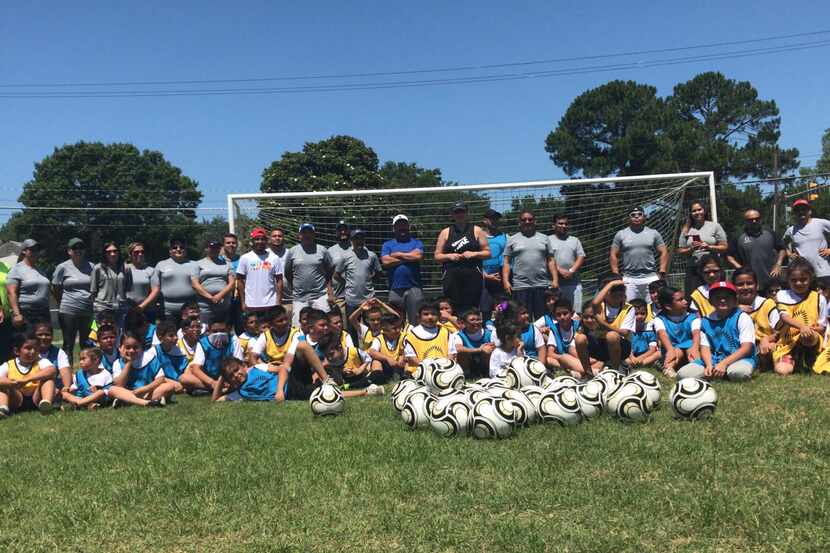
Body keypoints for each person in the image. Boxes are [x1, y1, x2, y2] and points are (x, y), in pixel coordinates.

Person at [678, 281, 756, 382]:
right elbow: (705, 347)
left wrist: (724, 363)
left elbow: (746, 348)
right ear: (710, 301)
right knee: (683, 374)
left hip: (740, 359)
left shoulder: (742, 317)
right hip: (715, 359)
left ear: (735, 300)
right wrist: (709, 365)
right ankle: (715, 372)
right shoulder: (706, 321)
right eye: (718, 297)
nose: (722, 300)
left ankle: (722, 372)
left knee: (738, 372)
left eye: (727, 297)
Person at [434, 202, 491, 315]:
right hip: (451, 276)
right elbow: (437, 256)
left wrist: (474, 254)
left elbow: (488, 253)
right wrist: (449, 256)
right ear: (452, 215)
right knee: (453, 306)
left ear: (467, 213)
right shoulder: (445, 232)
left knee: (472, 308)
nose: (460, 214)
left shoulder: (477, 230)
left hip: (473, 275)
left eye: (462, 211)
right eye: (456, 212)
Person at [773, 257, 827, 375]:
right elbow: (784, 317)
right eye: (794, 280)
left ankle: (809, 358)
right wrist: (802, 326)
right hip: (788, 341)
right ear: (788, 280)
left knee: (807, 336)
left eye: (803, 279)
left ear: (810, 278)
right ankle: (793, 358)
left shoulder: (819, 298)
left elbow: (822, 327)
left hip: (811, 339)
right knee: (782, 371)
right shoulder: (782, 295)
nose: (798, 283)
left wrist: (810, 329)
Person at [502, 209, 558, 321]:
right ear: (519, 222)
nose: (527, 221)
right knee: (522, 320)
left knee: (542, 320)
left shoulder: (544, 238)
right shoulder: (512, 239)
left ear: (535, 221)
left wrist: (555, 279)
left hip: (541, 285)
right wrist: (506, 281)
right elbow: (506, 262)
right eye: (524, 220)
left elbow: (551, 260)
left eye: (530, 219)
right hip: (520, 286)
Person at [609, 206, 669, 302]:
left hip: (650, 277)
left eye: (639, 214)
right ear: (628, 218)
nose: (636, 217)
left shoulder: (653, 233)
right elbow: (613, 254)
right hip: (629, 278)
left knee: (655, 307)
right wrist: (616, 274)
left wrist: (662, 271)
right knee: (628, 308)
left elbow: (664, 251)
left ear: (644, 216)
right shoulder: (621, 234)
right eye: (633, 215)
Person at [52, 237, 94, 363]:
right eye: (75, 248)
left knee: (87, 343)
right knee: (68, 344)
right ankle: (67, 374)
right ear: (69, 251)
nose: (78, 250)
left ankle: (88, 371)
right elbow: (55, 288)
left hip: (87, 311)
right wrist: (63, 302)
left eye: (81, 247)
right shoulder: (62, 267)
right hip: (68, 310)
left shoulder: (92, 266)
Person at [284, 223, 334, 327]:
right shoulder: (292, 251)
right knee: (298, 327)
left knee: (324, 325)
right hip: (299, 297)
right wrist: (296, 287)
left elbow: (330, 269)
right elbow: (288, 273)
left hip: (320, 295)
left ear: (314, 234)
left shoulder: (322, 250)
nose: (307, 235)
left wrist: (329, 290)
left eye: (309, 232)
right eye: (304, 233)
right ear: (299, 235)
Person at [733, 267, 781, 371]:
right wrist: (735, 310)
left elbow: (780, 331)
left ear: (757, 285)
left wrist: (766, 339)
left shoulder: (767, 304)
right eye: (740, 284)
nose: (745, 287)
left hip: (763, 345)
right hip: (738, 348)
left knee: (772, 347)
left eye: (749, 283)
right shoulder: (729, 307)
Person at [726, 209, 786, 291]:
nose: (754, 221)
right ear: (745, 221)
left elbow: (782, 249)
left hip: (771, 281)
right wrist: (741, 269)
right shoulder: (738, 236)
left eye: (757, 219)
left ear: (760, 219)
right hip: (750, 284)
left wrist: (778, 265)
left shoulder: (770, 232)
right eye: (750, 220)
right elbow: (729, 256)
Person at [676, 201, 728, 295]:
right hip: (694, 269)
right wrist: (690, 249)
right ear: (691, 214)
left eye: (699, 209)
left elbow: (724, 247)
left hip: (712, 268)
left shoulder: (715, 226)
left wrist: (709, 247)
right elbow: (680, 250)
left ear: (704, 210)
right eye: (694, 211)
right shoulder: (686, 229)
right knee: (693, 297)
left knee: (717, 294)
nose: (697, 212)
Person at [381, 214, 425, 325]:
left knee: (415, 321)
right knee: (394, 321)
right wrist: (408, 257)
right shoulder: (387, 244)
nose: (402, 228)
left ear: (408, 226)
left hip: (414, 287)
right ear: (394, 228)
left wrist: (397, 254)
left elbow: (418, 256)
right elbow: (386, 261)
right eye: (398, 225)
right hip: (395, 288)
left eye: (404, 225)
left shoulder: (417, 242)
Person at [0, 332, 57, 416]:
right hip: (17, 398)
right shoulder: (8, 365)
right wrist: (11, 383)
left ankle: (46, 403)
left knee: (48, 379)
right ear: (16, 351)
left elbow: (52, 370)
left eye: (36, 348)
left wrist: (27, 379)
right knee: (3, 385)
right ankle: (3, 408)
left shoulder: (41, 361)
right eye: (28, 348)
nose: (33, 351)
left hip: (37, 397)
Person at [180, 318, 241, 394]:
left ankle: (211, 389)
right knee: (184, 378)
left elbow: (239, 364)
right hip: (208, 378)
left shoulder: (233, 340)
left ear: (228, 329)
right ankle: (217, 388)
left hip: (228, 377)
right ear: (209, 330)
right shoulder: (203, 343)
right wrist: (212, 383)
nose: (219, 334)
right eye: (215, 331)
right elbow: (196, 368)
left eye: (222, 331)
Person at [108, 333, 167, 407]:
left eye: (135, 347)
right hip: (126, 392)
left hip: (147, 391)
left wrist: (143, 389)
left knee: (168, 386)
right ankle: (147, 403)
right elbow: (119, 384)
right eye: (128, 348)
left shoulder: (150, 358)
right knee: (112, 389)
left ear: (141, 347)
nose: (132, 351)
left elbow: (160, 379)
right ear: (120, 348)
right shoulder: (118, 363)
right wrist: (129, 362)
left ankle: (128, 400)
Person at [335, 229, 382, 323]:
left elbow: (379, 272)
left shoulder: (372, 256)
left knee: (370, 325)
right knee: (352, 327)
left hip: (368, 298)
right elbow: (336, 275)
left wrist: (369, 281)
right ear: (351, 240)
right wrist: (347, 283)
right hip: (351, 299)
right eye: (356, 238)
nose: (359, 241)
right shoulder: (345, 256)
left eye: (361, 238)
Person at [590, 276, 635, 372]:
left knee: (612, 336)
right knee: (580, 338)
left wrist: (603, 324)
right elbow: (594, 303)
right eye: (614, 289)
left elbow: (625, 333)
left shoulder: (629, 308)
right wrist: (611, 284)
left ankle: (615, 371)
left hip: (622, 346)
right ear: (605, 293)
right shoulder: (600, 305)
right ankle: (587, 372)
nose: (618, 292)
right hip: (600, 344)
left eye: (621, 289)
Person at [652, 286, 699, 378]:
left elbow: (696, 334)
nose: (685, 302)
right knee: (677, 350)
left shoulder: (693, 317)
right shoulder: (659, 319)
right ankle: (669, 368)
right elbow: (662, 334)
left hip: (691, 348)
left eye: (684, 298)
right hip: (672, 351)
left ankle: (696, 366)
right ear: (668, 306)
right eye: (680, 300)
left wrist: (695, 347)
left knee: (689, 345)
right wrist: (670, 350)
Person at [236, 228, 283, 318]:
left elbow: (279, 280)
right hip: (251, 304)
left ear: (266, 241)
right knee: (254, 329)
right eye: (257, 239)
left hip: (270, 303)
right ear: (252, 241)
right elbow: (239, 280)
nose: (260, 241)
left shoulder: (274, 258)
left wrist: (278, 301)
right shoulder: (245, 258)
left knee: (269, 330)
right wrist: (243, 301)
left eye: (262, 239)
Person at [784, 199, 830, 288]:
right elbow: (782, 244)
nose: (801, 212)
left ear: (809, 211)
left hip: (823, 272)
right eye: (798, 210)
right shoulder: (791, 230)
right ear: (794, 213)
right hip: (803, 276)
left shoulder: (821, 223)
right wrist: (789, 254)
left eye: (803, 209)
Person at [6, 239, 51, 330]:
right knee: (28, 342)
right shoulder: (16, 269)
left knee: (44, 341)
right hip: (27, 312)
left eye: (37, 249)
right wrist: (17, 314)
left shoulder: (40, 270)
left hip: (44, 312)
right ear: (24, 251)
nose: (35, 252)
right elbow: (11, 292)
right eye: (32, 249)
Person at [403, 302, 457, 374]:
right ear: (419, 316)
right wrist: (430, 369)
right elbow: (411, 358)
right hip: (420, 372)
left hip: (443, 370)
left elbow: (451, 354)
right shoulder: (411, 335)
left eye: (433, 314)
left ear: (439, 316)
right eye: (426, 314)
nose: (430, 317)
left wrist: (444, 368)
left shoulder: (446, 332)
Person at [548, 214, 586, 312]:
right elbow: (547, 258)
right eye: (560, 223)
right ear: (553, 225)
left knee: (575, 313)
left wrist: (571, 271)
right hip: (554, 285)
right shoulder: (547, 240)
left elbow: (581, 256)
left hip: (573, 283)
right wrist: (560, 270)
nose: (564, 226)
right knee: (555, 314)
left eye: (566, 224)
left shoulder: (575, 240)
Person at [192, 239, 236, 324]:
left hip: (224, 305)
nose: (215, 250)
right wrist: (211, 297)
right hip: (205, 306)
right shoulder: (197, 264)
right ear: (206, 249)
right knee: (205, 331)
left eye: (217, 248)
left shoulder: (227, 264)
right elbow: (195, 284)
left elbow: (232, 283)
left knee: (223, 331)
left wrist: (219, 296)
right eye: (212, 247)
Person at [545, 299, 591, 379]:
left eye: (565, 313)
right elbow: (550, 353)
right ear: (555, 316)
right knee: (548, 359)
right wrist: (563, 358)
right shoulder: (555, 329)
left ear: (572, 313)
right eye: (558, 315)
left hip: (582, 357)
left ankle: (584, 371)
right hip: (567, 360)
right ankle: (586, 370)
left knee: (572, 351)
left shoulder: (579, 325)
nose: (562, 317)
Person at [156, 238, 198, 320]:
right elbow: (154, 287)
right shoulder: (161, 265)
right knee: (169, 332)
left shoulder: (195, 265)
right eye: (174, 247)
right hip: (167, 310)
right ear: (170, 250)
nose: (178, 249)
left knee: (189, 332)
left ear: (186, 250)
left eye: (181, 247)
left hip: (189, 309)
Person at [212, 357, 287, 402]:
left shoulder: (257, 368)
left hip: (290, 384)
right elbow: (215, 400)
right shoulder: (240, 393)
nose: (236, 375)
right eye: (231, 376)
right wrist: (221, 378)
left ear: (244, 366)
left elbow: (282, 369)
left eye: (236, 370)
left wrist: (279, 391)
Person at [122, 242, 160, 323]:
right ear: (130, 254)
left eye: (142, 252)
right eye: (136, 252)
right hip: (127, 310)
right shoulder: (124, 269)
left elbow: (155, 290)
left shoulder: (151, 270)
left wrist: (141, 306)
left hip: (147, 311)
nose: (140, 254)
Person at [453, 308, 495, 379]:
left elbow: (497, 345)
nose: (476, 322)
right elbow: (458, 348)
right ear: (464, 323)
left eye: (478, 319)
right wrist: (479, 350)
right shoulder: (458, 335)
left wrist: (490, 347)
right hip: (469, 362)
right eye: (472, 320)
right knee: (461, 353)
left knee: (489, 349)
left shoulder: (490, 333)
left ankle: (488, 373)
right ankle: (467, 375)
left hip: (484, 361)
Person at [480, 208, 506, 317]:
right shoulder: (477, 236)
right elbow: (473, 260)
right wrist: (485, 275)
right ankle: (487, 331)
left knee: (504, 308)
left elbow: (507, 259)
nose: (495, 221)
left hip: (500, 280)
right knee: (485, 310)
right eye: (492, 219)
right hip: (483, 280)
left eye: (497, 219)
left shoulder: (504, 236)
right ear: (485, 221)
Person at [90, 241, 124, 322]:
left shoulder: (125, 268)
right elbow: (93, 291)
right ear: (104, 254)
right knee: (101, 333)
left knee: (120, 333)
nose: (112, 254)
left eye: (115, 251)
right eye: (109, 252)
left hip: (120, 308)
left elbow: (128, 289)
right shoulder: (97, 268)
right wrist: (95, 308)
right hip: (102, 308)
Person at [368, 314, 407, 380]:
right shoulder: (379, 339)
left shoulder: (403, 337)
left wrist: (403, 357)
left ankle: (406, 376)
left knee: (407, 360)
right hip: (386, 366)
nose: (398, 330)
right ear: (384, 329)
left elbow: (409, 351)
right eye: (394, 328)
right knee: (376, 361)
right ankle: (378, 378)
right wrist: (387, 358)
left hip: (400, 365)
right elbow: (372, 352)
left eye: (399, 327)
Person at [625, 299, 661, 369]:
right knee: (623, 358)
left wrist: (639, 358)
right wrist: (632, 358)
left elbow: (652, 349)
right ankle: (636, 364)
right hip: (630, 356)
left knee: (659, 353)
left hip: (646, 355)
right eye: (636, 314)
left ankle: (640, 364)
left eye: (642, 313)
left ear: (647, 314)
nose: (639, 316)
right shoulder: (627, 328)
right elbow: (627, 349)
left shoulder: (649, 327)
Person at [327, 220, 352, 320]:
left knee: (359, 326)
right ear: (336, 232)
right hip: (338, 296)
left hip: (356, 295)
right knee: (342, 325)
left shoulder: (358, 248)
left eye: (345, 229)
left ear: (349, 231)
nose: (343, 232)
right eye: (340, 230)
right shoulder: (330, 251)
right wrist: (330, 294)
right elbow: (327, 275)